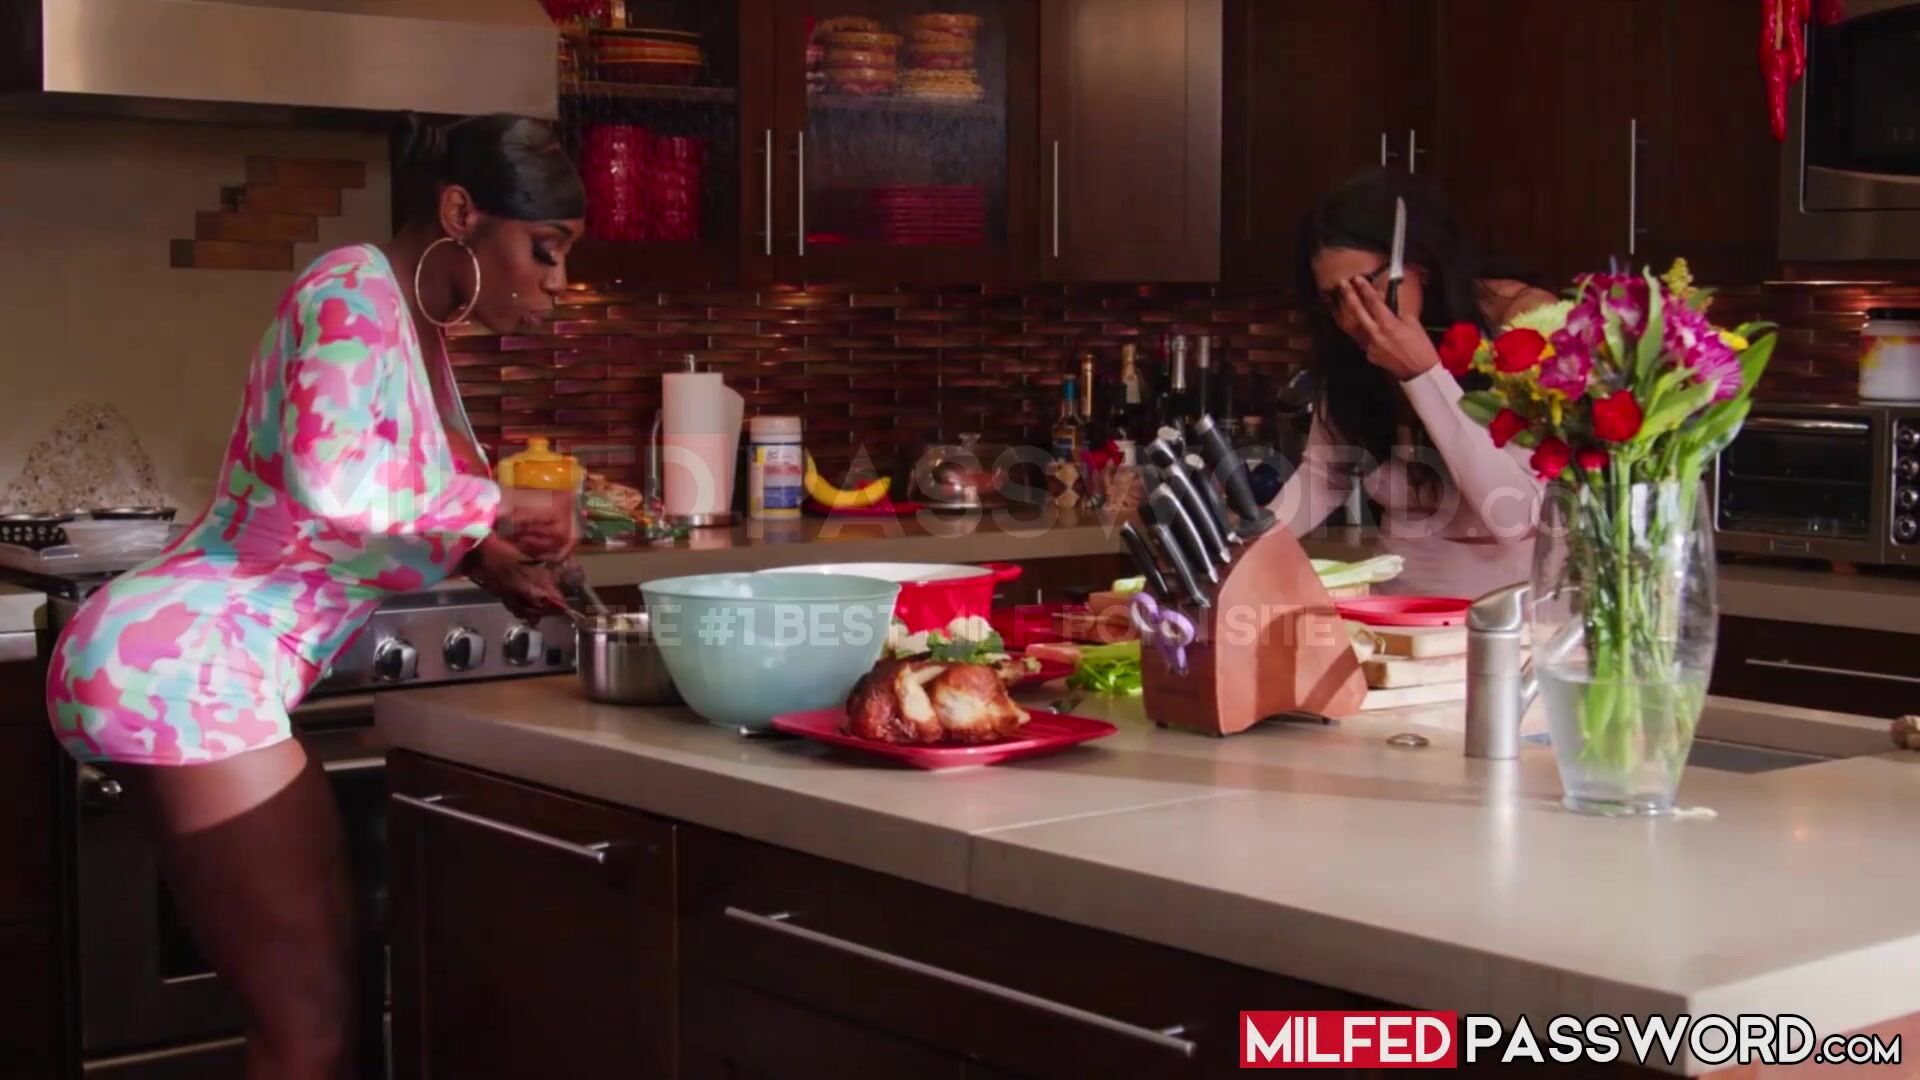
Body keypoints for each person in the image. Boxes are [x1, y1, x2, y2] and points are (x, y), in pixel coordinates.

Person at [44, 112, 587, 1079]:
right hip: (188, 667)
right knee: (310, 1029)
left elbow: (357, 509)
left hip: (207, 668)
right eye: (545, 249)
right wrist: (497, 500)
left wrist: (485, 556)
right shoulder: (351, 288)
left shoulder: (410, 328)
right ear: (460, 214)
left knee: (335, 998)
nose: (558, 281)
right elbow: (333, 482)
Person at [1271, 168, 1559, 600]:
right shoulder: (1352, 353)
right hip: (1394, 610)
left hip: (1508, 615)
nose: (1355, 316)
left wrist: (1423, 375)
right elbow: (1325, 475)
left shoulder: (1520, 327)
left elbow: (1512, 516)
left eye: (1367, 287)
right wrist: (1245, 546)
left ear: (1418, 266)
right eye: (1335, 299)